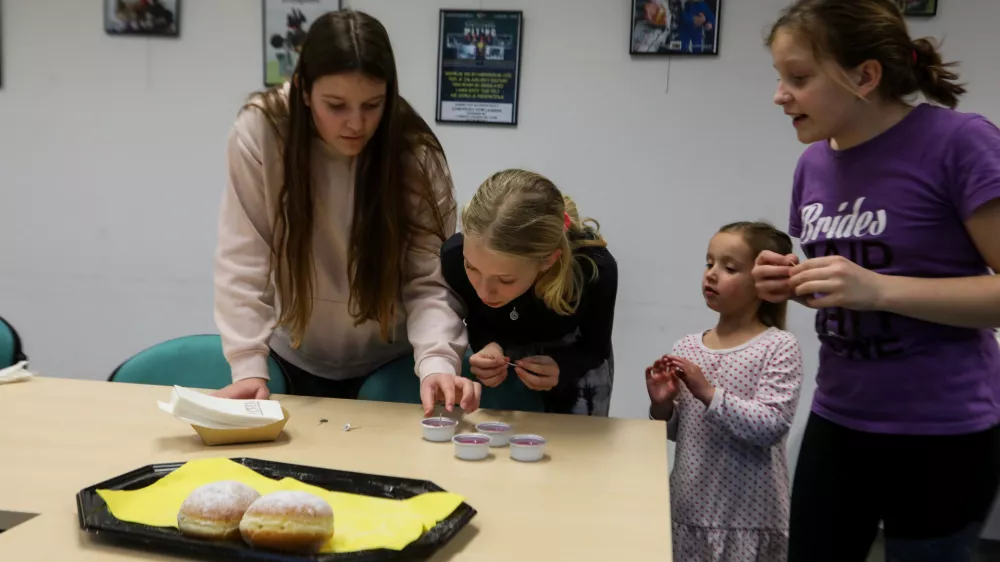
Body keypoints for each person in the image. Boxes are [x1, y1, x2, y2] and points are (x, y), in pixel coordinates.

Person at [759, 1, 1000, 560]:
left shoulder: (961, 143)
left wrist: (879, 289)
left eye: (798, 78)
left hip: (944, 431)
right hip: (840, 416)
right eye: (779, 78)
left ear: (865, 76)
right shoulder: (813, 163)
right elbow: (849, 275)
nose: (779, 95)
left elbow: (874, 281)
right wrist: (791, 281)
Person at [211, 10, 479, 414]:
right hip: (294, 356)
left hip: (393, 365)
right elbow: (244, 259)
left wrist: (438, 361)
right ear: (302, 89)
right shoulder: (262, 132)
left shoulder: (413, 151)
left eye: (373, 104)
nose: (356, 123)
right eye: (336, 105)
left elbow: (428, 277)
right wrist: (248, 365)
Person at [647, 221, 804, 562]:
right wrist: (661, 406)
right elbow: (678, 431)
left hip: (749, 518)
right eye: (709, 263)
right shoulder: (687, 346)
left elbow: (770, 426)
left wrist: (707, 392)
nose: (712, 274)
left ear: (764, 282)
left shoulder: (778, 346)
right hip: (688, 512)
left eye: (730, 268)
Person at [439, 169, 618, 416]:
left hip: (573, 367)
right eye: (472, 268)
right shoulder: (453, 257)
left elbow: (595, 348)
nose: (484, 291)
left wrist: (563, 368)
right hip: (499, 373)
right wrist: (486, 344)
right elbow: (473, 319)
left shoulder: (594, 270)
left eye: (505, 279)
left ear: (547, 261)